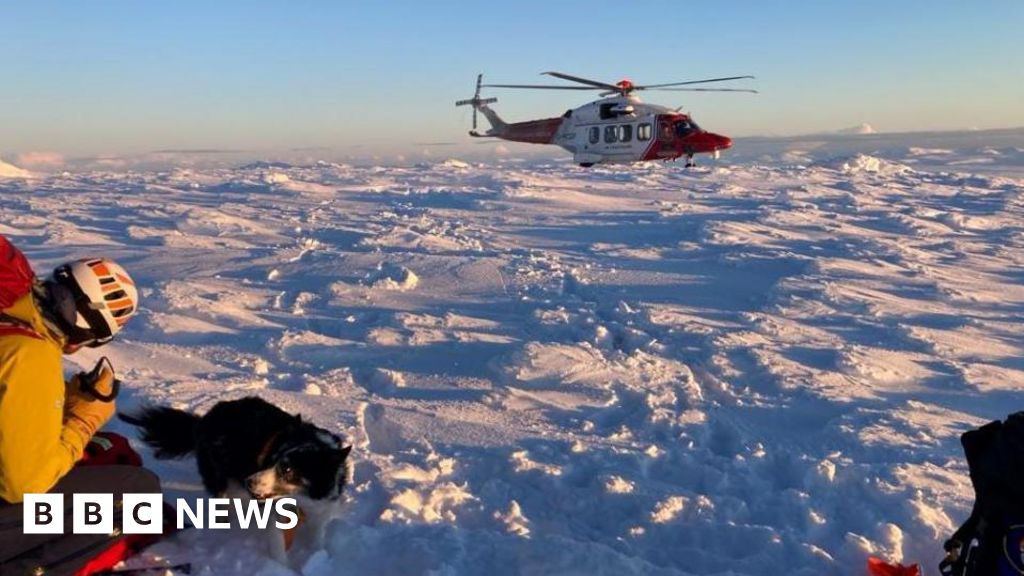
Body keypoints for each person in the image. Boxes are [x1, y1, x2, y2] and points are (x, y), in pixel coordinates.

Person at [0, 236, 163, 575]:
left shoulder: (9, 318)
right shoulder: (29, 355)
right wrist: (82, 421)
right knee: (136, 492)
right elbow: (24, 485)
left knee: (109, 454)